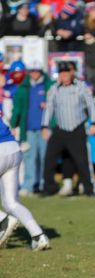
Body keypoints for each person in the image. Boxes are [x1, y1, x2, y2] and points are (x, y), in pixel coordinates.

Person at [0, 92, 50, 251]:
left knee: (9, 206)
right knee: (11, 202)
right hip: (13, 148)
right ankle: (39, 236)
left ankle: (3, 220)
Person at [41, 61, 95, 196]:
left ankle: (88, 189)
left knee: (81, 161)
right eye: (62, 73)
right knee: (49, 159)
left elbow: (91, 105)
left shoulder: (80, 86)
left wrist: (94, 123)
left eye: (66, 73)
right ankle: (49, 188)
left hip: (76, 128)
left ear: (71, 73)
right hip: (60, 129)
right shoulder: (55, 88)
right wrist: (45, 126)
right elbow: (49, 108)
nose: (64, 76)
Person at [10, 60, 54, 196]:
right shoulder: (24, 88)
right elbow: (17, 108)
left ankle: (42, 183)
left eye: (37, 71)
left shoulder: (49, 86)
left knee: (44, 156)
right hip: (28, 128)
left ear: (41, 71)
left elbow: (55, 106)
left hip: (44, 128)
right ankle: (29, 184)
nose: (34, 74)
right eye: (32, 71)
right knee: (29, 157)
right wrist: (13, 125)